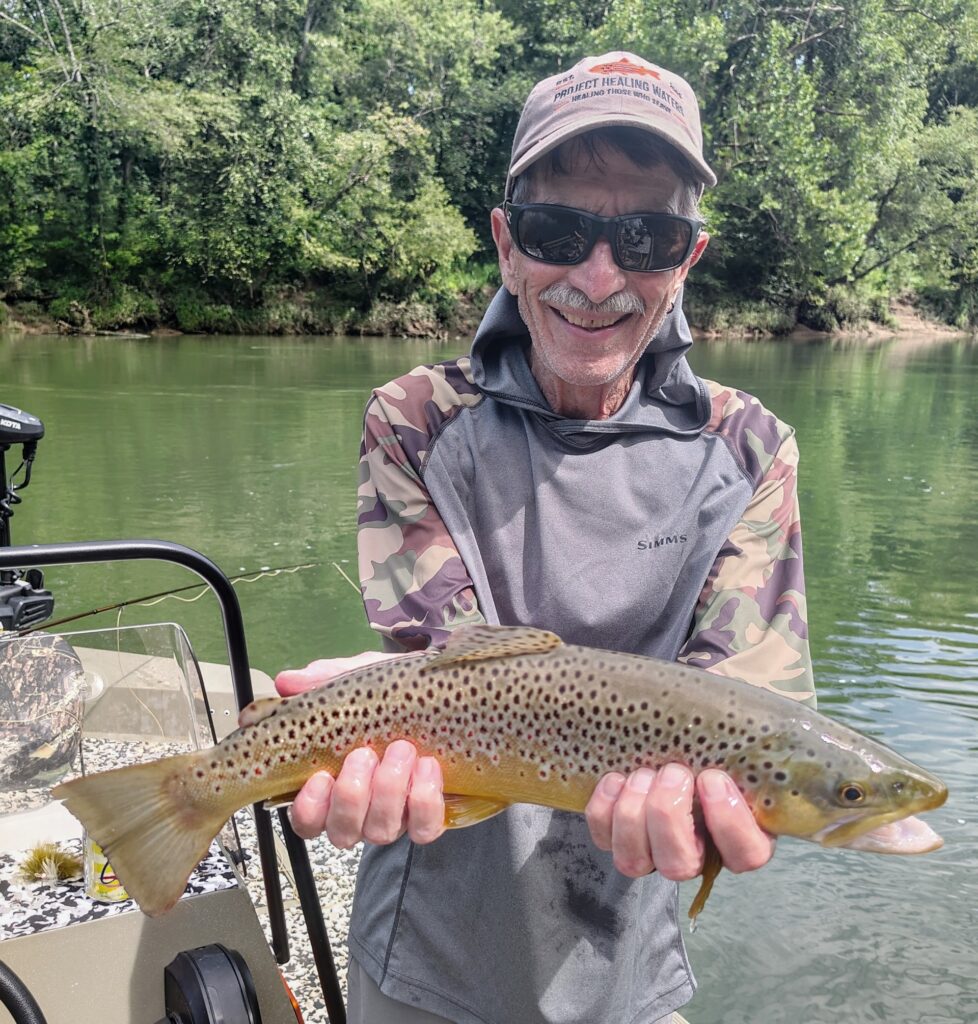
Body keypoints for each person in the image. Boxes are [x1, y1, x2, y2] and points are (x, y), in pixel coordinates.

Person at [276, 51, 814, 1024]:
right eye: (558, 229)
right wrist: (350, 712)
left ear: (687, 256)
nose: (598, 276)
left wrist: (724, 809)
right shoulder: (417, 421)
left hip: (629, 974)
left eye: (645, 234)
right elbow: (452, 679)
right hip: (423, 964)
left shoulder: (750, 451)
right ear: (507, 243)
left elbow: (753, 719)